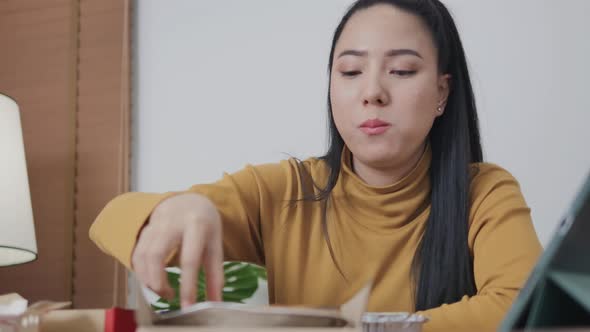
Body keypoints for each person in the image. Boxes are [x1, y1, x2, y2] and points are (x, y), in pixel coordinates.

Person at [89, 0, 542, 330]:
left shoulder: (484, 192)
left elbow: (521, 308)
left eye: (401, 71)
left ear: (442, 93)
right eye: (350, 72)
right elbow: (107, 219)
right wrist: (171, 209)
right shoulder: (285, 191)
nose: (373, 92)